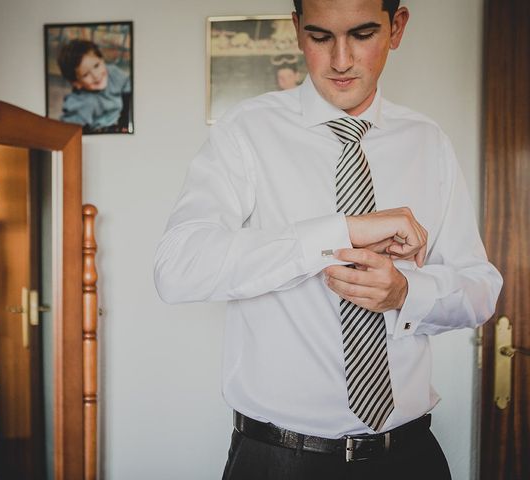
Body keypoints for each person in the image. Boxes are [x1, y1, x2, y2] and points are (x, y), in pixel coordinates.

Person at [154, 0, 502, 479]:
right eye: (321, 38)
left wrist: (406, 293)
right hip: (277, 459)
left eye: (362, 35)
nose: (341, 60)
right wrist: (341, 230)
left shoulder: (428, 142)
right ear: (298, 31)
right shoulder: (246, 132)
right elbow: (177, 268)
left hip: (409, 456)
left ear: (396, 27)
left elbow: (480, 289)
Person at [58, 39, 132, 133]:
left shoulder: (113, 73)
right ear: (77, 83)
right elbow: (67, 130)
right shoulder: (83, 102)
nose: (96, 75)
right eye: (86, 74)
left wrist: (126, 117)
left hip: (121, 122)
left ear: (102, 60)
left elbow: (128, 85)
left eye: (96, 65)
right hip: (100, 132)